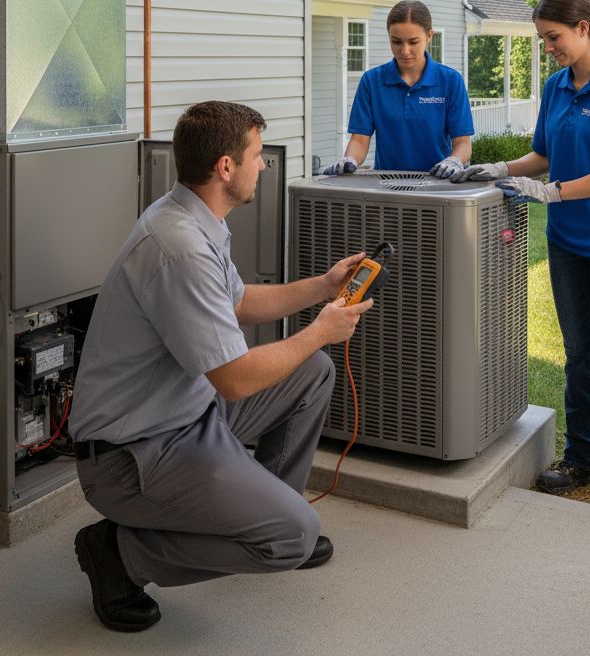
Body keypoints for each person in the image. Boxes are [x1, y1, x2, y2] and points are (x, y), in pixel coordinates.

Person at [69, 100, 373, 632]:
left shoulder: (190, 215)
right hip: (130, 457)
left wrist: (323, 289)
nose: (264, 165)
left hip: (187, 417)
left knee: (312, 372)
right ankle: (119, 553)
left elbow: (238, 303)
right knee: (291, 539)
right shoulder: (179, 247)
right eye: (257, 156)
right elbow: (234, 381)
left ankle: (262, 509)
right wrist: (320, 329)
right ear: (225, 167)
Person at [453, 0, 590, 513]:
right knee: (577, 357)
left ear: (584, 29)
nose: (549, 47)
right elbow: (543, 155)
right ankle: (582, 459)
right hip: (566, 241)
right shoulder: (557, 86)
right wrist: (500, 169)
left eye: (554, 37)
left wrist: (553, 192)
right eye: (544, 39)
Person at [323, 0, 474, 179]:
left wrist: (454, 161)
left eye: (413, 42)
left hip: (439, 188)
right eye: (396, 41)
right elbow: (360, 140)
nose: (404, 50)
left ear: (429, 36)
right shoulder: (371, 81)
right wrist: (349, 160)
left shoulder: (450, 81)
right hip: (388, 187)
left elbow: (463, 143)